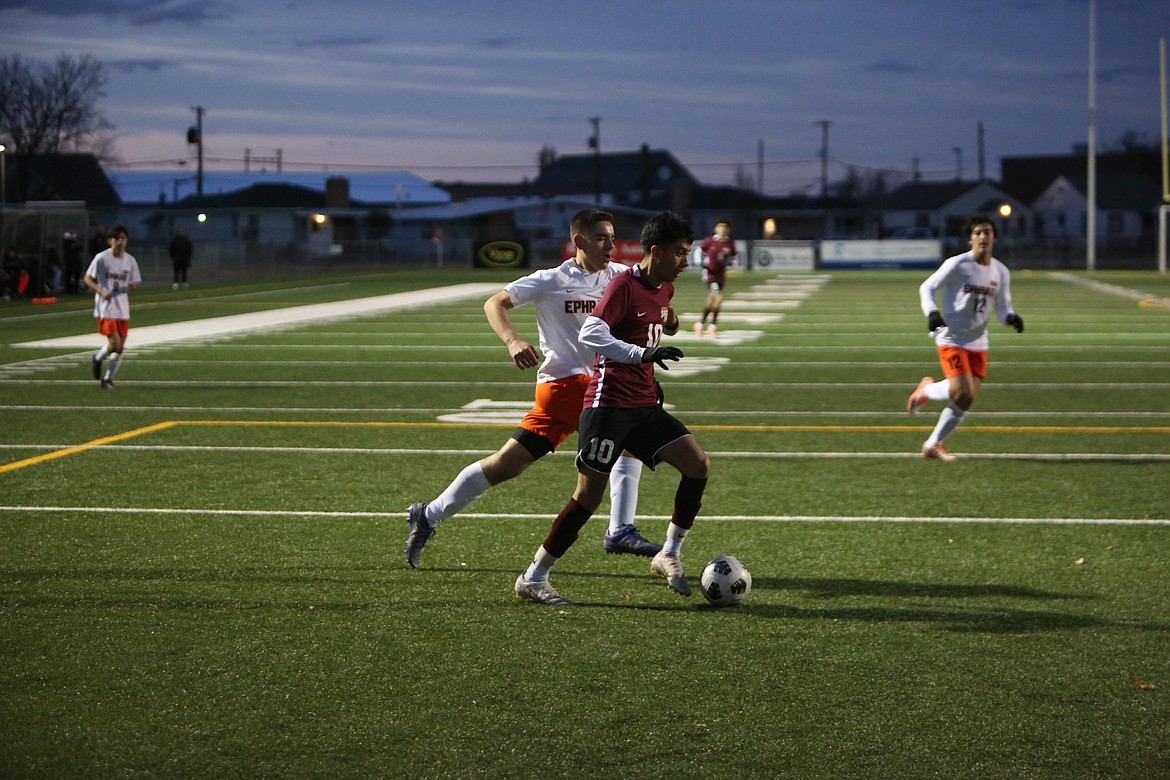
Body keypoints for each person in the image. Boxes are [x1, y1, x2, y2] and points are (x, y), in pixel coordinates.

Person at [404, 209, 664, 569]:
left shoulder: (621, 277)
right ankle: (619, 529)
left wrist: (667, 316)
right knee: (630, 435)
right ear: (579, 241)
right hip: (569, 384)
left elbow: (659, 312)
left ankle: (427, 514)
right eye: (602, 237)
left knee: (506, 464)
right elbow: (494, 303)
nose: (611, 245)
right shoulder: (553, 279)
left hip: (591, 388)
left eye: (613, 237)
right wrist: (512, 340)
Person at [515, 210, 710, 606]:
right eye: (680, 253)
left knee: (697, 465)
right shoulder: (622, 285)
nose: (686, 262)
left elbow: (652, 322)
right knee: (588, 498)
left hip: (643, 404)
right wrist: (644, 353)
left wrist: (663, 333)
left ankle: (669, 553)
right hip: (608, 406)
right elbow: (592, 332)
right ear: (656, 251)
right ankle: (534, 576)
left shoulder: (664, 288)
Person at [906, 214, 1024, 460]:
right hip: (952, 338)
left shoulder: (1000, 271)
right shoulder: (957, 264)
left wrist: (1011, 318)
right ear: (970, 239)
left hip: (979, 341)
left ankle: (932, 444)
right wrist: (932, 313)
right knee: (964, 392)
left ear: (994, 238)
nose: (983, 236)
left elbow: (1003, 307)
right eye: (978, 232)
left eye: (987, 232)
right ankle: (926, 392)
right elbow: (927, 287)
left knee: (965, 400)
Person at [83, 225, 141, 389]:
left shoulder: (130, 260)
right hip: (106, 308)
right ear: (110, 241)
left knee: (119, 348)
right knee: (115, 344)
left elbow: (134, 280)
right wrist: (100, 290)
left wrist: (132, 284)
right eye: (116, 239)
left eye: (123, 238)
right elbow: (87, 278)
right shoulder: (101, 258)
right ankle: (106, 379)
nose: (120, 241)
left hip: (122, 308)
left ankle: (100, 363)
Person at [693, 219, 736, 337]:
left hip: (721, 275)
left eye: (725, 227)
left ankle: (700, 324)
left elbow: (733, 256)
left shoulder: (729, 243)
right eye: (720, 227)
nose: (722, 229)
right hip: (710, 274)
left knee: (712, 300)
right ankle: (713, 325)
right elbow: (698, 250)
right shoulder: (710, 241)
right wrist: (700, 262)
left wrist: (731, 263)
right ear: (716, 229)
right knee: (719, 297)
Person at [62, 229, 84, 294]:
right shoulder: (66, 239)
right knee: (69, 275)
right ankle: (68, 290)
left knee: (77, 275)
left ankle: (76, 289)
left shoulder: (77, 238)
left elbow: (80, 247)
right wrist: (76, 245)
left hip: (77, 260)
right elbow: (70, 248)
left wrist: (77, 245)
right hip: (69, 260)